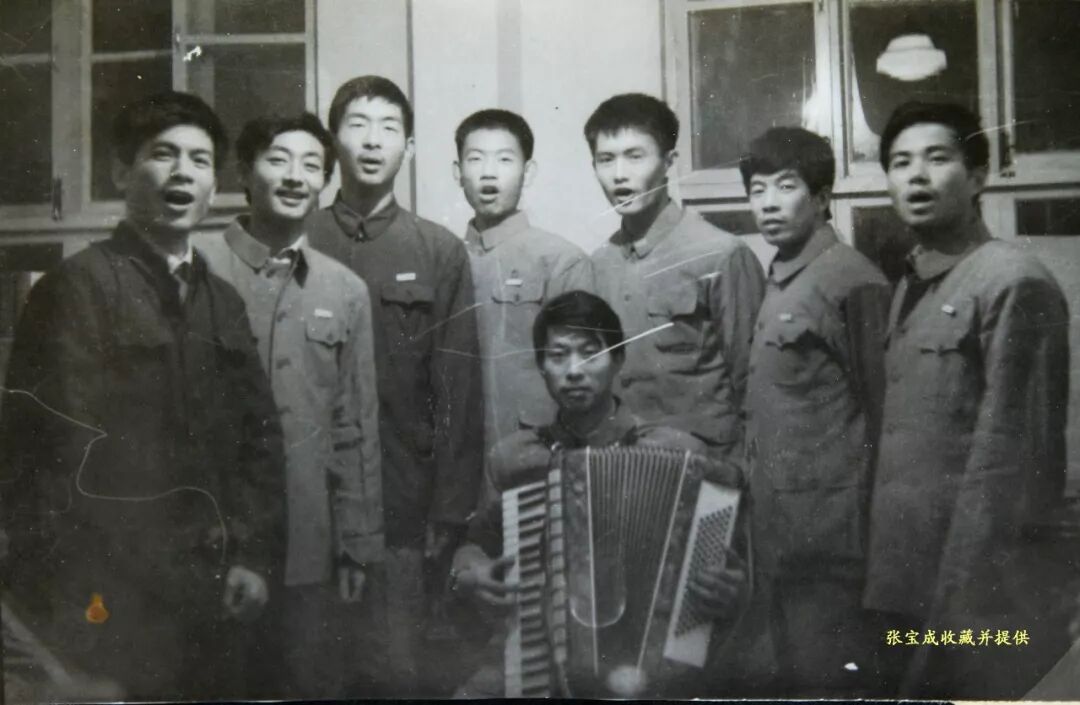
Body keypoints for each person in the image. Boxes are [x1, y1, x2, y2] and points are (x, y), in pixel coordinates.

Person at [0, 91, 284, 700]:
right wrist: (86, 603)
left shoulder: (223, 303)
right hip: (111, 607)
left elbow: (258, 445)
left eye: (200, 160)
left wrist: (254, 557)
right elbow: (52, 465)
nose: (183, 173)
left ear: (214, 185)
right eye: (163, 154)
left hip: (216, 598)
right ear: (120, 172)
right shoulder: (74, 290)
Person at [864, 101, 1070, 698]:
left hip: (972, 598)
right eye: (900, 162)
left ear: (978, 176)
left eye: (937, 158)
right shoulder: (912, 284)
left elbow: (1011, 469)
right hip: (902, 586)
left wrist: (959, 611)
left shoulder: (1012, 281)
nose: (916, 176)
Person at [451, 290, 747, 698]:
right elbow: (474, 545)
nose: (574, 370)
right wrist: (470, 573)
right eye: (558, 355)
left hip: (655, 673)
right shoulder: (514, 459)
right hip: (540, 661)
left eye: (590, 353)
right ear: (541, 366)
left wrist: (733, 591)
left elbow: (734, 574)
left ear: (618, 360)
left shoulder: (683, 456)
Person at [305, 75, 484, 691]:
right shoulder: (299, 239)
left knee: (395, 670)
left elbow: (458, 389)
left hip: (403, 502)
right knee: (309, 672)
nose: (373, 141)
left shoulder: (438, 251)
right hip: (306, 500)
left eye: (388, 128)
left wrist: (450, 507)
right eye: (357, 125)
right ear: (333, 140)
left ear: (408, 147)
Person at [198, 112, 383, 698]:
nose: (295, 176)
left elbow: (355, 427)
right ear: (244, 173)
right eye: (278, 160)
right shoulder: (196, 268)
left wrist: (356, 545)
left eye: (311, 166)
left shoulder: (345, 290)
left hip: (309, 545)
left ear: (325, 183)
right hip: (210, 540)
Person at [733, 127, 891, 697]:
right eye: (757, 190)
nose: (769, 203)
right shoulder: (779, 277)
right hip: (776, 534)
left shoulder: (853, 280)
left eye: (786, 186)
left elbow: (885, 416)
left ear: (822, 197)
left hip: (831, 543)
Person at [586, 93, 766, 461]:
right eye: (606, 159)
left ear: (669, 161)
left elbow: (756, 387)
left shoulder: (722, 255)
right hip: (620, 470)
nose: (619, 174)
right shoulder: (598, 264)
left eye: (635, 156)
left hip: (708, 471)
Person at [454, 108, 594, 454]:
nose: (489, 173)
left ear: (528, 172)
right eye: (475, 159)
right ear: (458, 172)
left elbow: (583, 376)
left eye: (504, 159)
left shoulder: (560, 260)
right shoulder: (444, 259)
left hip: (535, 451)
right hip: (457, 453)